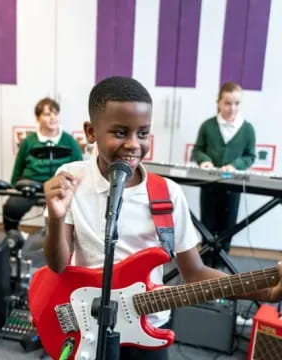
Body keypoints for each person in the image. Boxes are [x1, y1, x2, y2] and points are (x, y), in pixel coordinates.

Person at [42, 76, 282, 360]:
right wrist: (56, 219)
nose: (133, 144)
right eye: (120, 132)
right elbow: (57, 265)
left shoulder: (167, 194)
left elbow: (194, 273)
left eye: (142, 133)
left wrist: (266, 292)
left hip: (148, 328)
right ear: (91, 132)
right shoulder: (72, 178)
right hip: (87, 326)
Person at [192, 82, 256, 258]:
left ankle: (223, 261)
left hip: (232, 185)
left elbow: (250, 156)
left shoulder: (247, 128)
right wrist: (204, 161)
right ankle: (205, 261)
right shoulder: (208, 126)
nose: (232, 108)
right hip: (210, 184)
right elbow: (198, 150)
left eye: (236, 103)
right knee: (207, 223)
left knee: (228, 226)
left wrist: (235, 165)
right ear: (218, 102)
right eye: (227, 103)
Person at [3, 97, 83, 232]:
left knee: (71, 216)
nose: (53, 118)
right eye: (47, 114)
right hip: (32, 185)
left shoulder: (69, 141)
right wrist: (13, 188)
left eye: (55, 114)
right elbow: (18, 167)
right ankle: (14, 242)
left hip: (61, 186)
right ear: (38, 118)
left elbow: (80, 167)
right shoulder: (29, 141)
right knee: (11, 208)